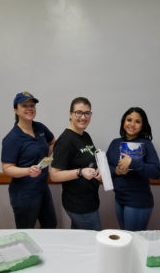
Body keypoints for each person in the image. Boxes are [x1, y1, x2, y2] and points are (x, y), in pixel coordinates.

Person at [1, 91, 57, 229]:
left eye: (32, 105)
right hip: (23, 193)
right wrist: (28, 171)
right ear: (16, 110)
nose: (29, 108)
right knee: (26, 230)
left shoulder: (40, 128)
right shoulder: (12, 138)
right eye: (24, 105)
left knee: (50, 225)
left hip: (42, 188)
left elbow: (53, 142)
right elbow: (7, 168)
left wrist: (45, 158)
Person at [50, 97, 101, 231]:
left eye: (87, 113)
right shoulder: (65, 140)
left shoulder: (85, 136)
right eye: (78, 112)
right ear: (71, 114)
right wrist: (80, 172)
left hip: (90, 200)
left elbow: (90, 161)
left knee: (80, 242)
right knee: (93, 243)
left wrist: (99, 170)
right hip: (79, 205)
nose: (83, 117)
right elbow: (54, 176)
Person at [106, 107, 160, 231]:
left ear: (143, 125)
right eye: (129, 120)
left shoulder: (146, 144)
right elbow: (106, 167)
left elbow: (156, 172)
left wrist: (133, 162)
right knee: (125, 239)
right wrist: (116, 171)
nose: (132, 124)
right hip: (119, 199)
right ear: (123, 122)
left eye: (137, 121)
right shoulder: (115, 143)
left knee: (133, 241)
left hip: (138, 201)